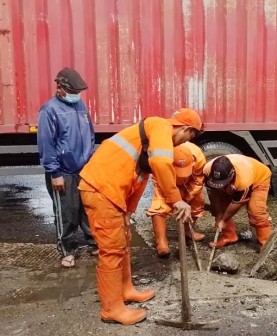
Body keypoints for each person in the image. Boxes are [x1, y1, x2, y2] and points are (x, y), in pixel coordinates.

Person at [79, 108, 203, 325]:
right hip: (101, 190)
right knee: (112, 250)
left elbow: (140, 177)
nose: (181, 144)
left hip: (113, 192)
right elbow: (161, 164)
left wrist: (128, 211)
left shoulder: (149, 138)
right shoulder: (160, 126)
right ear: (185, 128)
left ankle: (125, 290)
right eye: (188, 138)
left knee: (123, 243)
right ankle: (112, 309)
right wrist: (176, 200)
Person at [37, 67, 97, 268]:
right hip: (63, 171)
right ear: (60, 88)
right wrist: (55, 172)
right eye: (72, 92)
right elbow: (47, 143)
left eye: (77, 93)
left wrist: (90, 161)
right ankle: (67, 249)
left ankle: (93, 242)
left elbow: (89, 134)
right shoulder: (49, 110)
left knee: (87, 209)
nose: (75, 96)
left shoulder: (80, 106)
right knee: (67, 211)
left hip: (84, 169)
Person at [147, 142, 206, 257]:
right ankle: (161, 242)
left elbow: (198, 179)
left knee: (197, 202)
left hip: (190, 181)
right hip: (165, 179)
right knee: (160, 204)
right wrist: (175, 199)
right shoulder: (159, 161)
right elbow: (159, 181)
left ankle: (188, 231)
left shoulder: (198, 158)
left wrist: (188, 198)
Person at [203, 154, 272, 249]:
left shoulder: (244, 178)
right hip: (237, 179)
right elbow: (213, 195)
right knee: (221, 207)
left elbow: (236, 203)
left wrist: (223, 220)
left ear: (231, 174)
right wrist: (218, 214)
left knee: (256, 211)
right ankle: (229, 236)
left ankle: (266, 242)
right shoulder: (207, 170)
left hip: (259, 178)